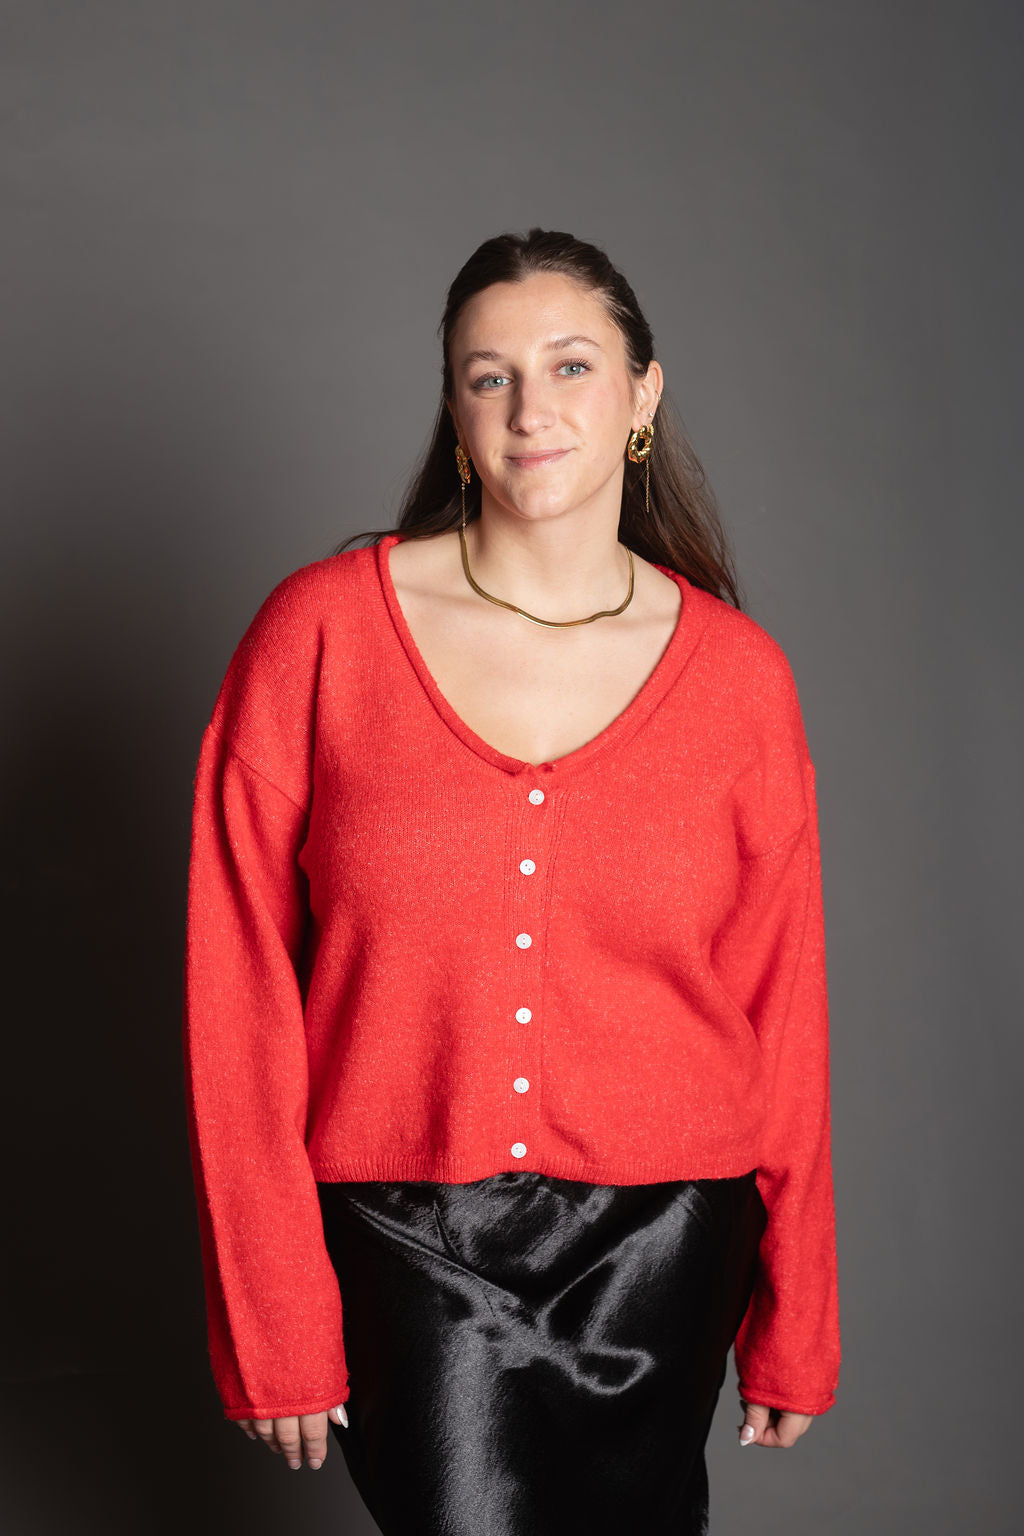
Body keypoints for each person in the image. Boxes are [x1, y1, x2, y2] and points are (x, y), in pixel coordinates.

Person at [182, 226, 840, 1534]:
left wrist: (798, 1312)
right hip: (405, 1234)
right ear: (454, 408)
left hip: (668, 1247)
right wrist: (271, 1312)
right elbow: (236, 992)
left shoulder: (739, 677)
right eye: (490, 376)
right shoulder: (321, 635)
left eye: (572, 365)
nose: (532, 408)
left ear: (645, 394)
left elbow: (785, 1008)